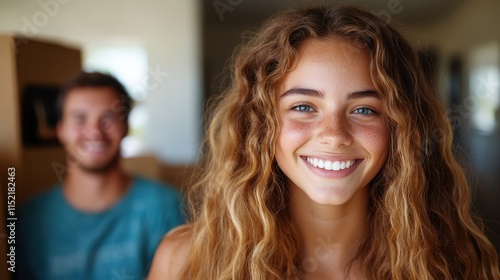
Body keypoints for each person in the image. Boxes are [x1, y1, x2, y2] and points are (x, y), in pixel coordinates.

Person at [148, 5, 500, 280]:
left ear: (402, 128)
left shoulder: (461, 263)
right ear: (258, 124)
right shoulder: (184, 261)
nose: (334, 134)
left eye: (364, 109)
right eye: (303, 107)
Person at [16, 72, 185, 280]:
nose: (95, 132)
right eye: (80, 118)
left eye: (108, 119)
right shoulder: (27, 220)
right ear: (60, 130)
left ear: (125, 127)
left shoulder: (166, 207)